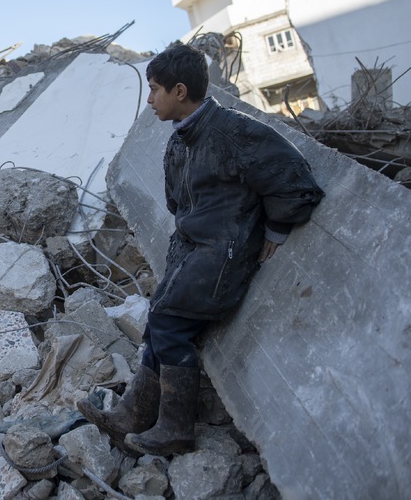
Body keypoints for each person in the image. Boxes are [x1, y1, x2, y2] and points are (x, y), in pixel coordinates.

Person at [77, 43, 324, 456]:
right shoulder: (179, 141)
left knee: (170, 324)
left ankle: (176, 429)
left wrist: (276, 230)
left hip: (223, 254)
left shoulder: (233, 131)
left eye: (154, 89)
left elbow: (294, 180)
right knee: (159, 321)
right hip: (192, 250)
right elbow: (178, 204)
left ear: (178, 91)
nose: (150, 99)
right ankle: (133, 416)